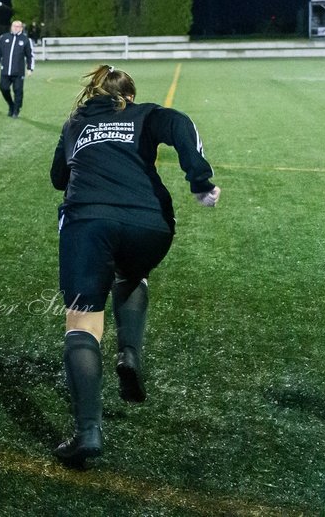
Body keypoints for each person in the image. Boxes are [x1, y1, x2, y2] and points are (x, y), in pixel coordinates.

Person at [49, 65, 221, 468]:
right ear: (128, 94)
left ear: (91, 93)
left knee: (83, 323)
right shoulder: (142, 113)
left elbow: (59, 179)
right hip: (150, 223)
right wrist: (200, 181)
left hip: (88, 221)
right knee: (130, 274)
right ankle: (129, 354)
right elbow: (179, 122)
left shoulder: (74, 123)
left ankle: (88, 432)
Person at [0, 19, 35, 117]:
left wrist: (30, 68)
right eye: (13, 26)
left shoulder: (25, 40)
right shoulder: (4, 38)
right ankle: (11, 105)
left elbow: (30, 55)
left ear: (21, 28)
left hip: (18, 72)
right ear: (11, 27)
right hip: (5, 70)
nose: (15, 28)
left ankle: (16, 110)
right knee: (3, 88)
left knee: (18, 91)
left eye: (17, 26)